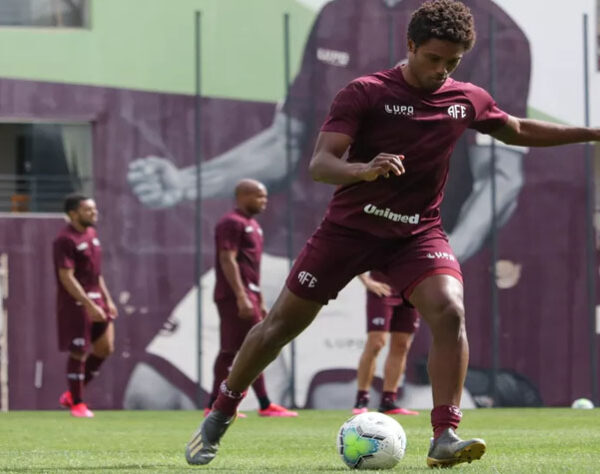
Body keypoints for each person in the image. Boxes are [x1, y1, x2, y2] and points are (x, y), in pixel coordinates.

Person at [185, 0, 600, 467]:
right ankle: (219, 415)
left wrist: (595, 133)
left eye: (452, 62)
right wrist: (365, 169)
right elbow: (320, 164)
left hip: (417, 233)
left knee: (449, 311)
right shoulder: (364, 92)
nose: (441, 70)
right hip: (350, 230)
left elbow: (516, 128)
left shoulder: (465, 98)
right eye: (433, 58)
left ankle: (445, 434)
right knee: (280, 326)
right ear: (410, 45)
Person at [126, 0, 530, 264]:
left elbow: (501, 182)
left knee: (344, 386)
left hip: (393, 253)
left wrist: (441, 260)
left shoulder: (496, 35)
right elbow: (286, 143)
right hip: (305, 243)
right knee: (152, 389)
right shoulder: (338, 13)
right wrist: (183, 182)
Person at [207, 179, 298, 418]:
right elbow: (228, 259)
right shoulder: (231, 223)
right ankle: (214, 405)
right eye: (259, 196)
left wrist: (259, 300)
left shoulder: (253, 225)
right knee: (232, 350)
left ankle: (264, 404)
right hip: (234, 297)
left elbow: (251, 269)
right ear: (243, 196)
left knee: (254, 348)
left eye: (266, 197)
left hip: (250, 296)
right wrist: (240, 296)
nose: (264, 201)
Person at [54, 195, 118, 418]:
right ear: (73, 213)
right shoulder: (64, 239)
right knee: (79, 352)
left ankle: (72, 394)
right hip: (76, 303)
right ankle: (77, 404)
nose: (94, 213)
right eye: (88, 210)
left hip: (97, 298)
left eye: (94, 209)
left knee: (105, 347)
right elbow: (66, 277)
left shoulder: (92, 234)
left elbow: (96, 273)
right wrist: (88, 304)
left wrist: (107, 299)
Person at [353, 271, 421, 416]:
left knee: (402, 345)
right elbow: (352, 251)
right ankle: (361, 400)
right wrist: (366, 280)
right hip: (381, 288)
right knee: (376, 343)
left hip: (409, 290)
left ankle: (388, 401)